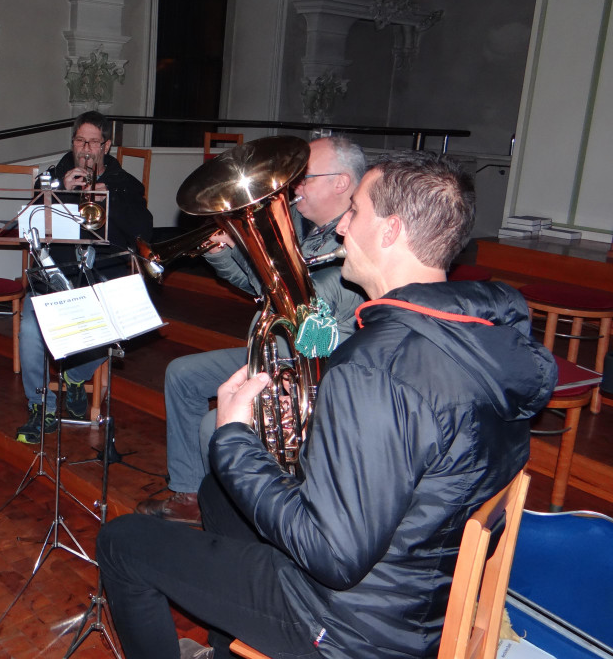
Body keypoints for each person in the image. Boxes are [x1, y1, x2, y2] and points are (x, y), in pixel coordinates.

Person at [97, 152, 557, 659]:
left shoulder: (373, 367)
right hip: (425, 593)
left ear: (390, 230)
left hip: (351, 625)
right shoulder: (485, 335)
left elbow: (332, 555)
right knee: (217, 494)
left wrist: (233, 437)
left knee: (124, 542)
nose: (341, 227)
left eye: (355, 211)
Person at [136, 136, 367, 524]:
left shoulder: (351, 243)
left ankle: (229, 516)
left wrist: (245, 245)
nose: (293, 186)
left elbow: (292, 302)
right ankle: (190, 493)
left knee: (215, 424)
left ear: (340, 182)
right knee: (182, 374)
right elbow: (258, 287)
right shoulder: (306, 227)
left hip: (310, 370)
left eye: (304, 177)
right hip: (275, 352)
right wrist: (224, 253)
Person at [16, 110, 153, 443]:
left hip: (103, 275)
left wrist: (109, 200)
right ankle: (41, 406)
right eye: (80, 141)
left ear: (106, 145)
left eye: (93, 142)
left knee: (123, 320)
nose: (86, 150)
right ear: (73, 142)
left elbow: (143, 232)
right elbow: (31, 227)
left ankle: (75, 376)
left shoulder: (125, 184)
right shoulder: (50, 178)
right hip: (55, 276)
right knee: (30, 326)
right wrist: (61, 193)